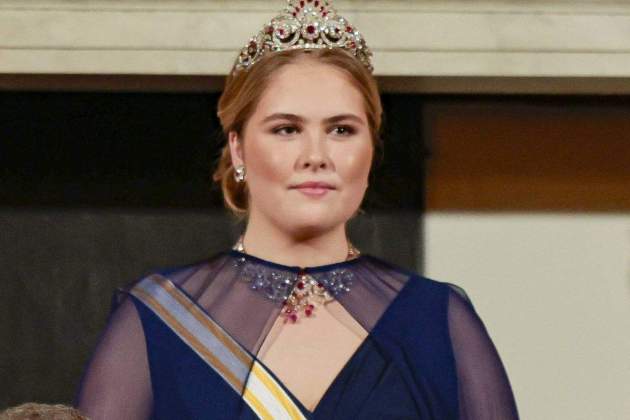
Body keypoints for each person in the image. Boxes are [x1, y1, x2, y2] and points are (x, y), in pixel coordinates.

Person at [74, 0, 520, 418]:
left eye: (341, 130)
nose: (316, 156)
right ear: (238, 149)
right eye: (286, 129)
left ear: (371, 149)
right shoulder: (158, 318)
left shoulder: (438, 320)